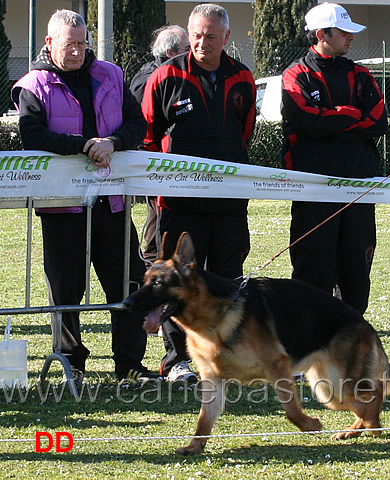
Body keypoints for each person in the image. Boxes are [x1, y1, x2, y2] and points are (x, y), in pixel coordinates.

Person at [11, 9, 158, 385]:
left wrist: (113, 142)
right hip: (61, 204)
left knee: (127, 281)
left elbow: (136, 123)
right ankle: (72, 363)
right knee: (66, 288)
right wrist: (84, 147)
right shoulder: (33, 85)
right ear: (49, 43)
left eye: (82, 43)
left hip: (113, 199)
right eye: (69, 44)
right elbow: (33, 136)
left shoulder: (111, 74)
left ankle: (130, 365)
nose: (77, 51)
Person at [142, 4, 256, 383]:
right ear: (188, 34)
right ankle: (178, 361)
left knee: (227, 279)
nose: (202, 43)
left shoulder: (243, 78)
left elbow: (244, 134)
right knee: (177, 281)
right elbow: (147, 137)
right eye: (196, 35)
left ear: (226, 37)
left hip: (228, 204)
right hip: (178, 204)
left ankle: (225, 355)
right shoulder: (165, 76)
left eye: (211, 36)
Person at [281, 2, 388, 315]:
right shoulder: (296, 73)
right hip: (313, 189)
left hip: (359, 187)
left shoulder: (361, 74)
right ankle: (305, 341)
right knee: (313, 268)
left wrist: (330, 121)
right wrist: (351, 114)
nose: (351, 37)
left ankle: (352, 343)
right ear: (321, 35)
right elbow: (306, 121)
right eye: (343, 32)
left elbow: (378, 121)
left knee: (356, 270)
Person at [129, 25, 190, 261]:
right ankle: (154, 266)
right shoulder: (151, 78)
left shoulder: (173, 73)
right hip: (155, 163)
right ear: (172, 53)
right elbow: (145, 124)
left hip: (171, 164)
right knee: (158, 220)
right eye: (187, 48)